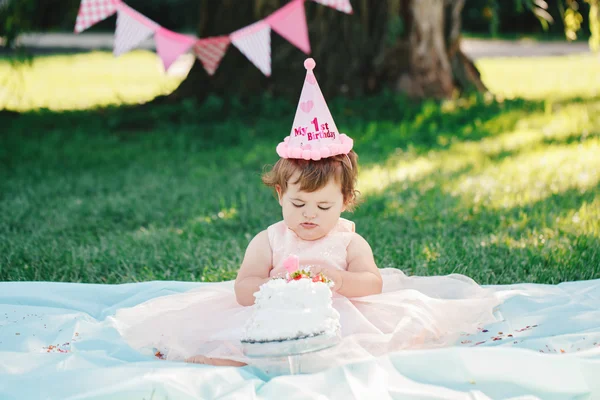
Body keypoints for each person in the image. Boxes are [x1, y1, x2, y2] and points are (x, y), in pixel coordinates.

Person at [111, 59, 501, 371]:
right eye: (298, 205)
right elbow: (242, 288)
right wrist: (270, 284)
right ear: (280, 195)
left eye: (324, 206)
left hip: (338, 314)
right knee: (236, 344)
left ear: (346, 201)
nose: (309, 215)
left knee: (375, 343)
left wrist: (342, 279)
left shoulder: (348, 240)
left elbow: (373, 283)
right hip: (274, 318)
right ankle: (224, 360)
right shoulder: (270, 240)